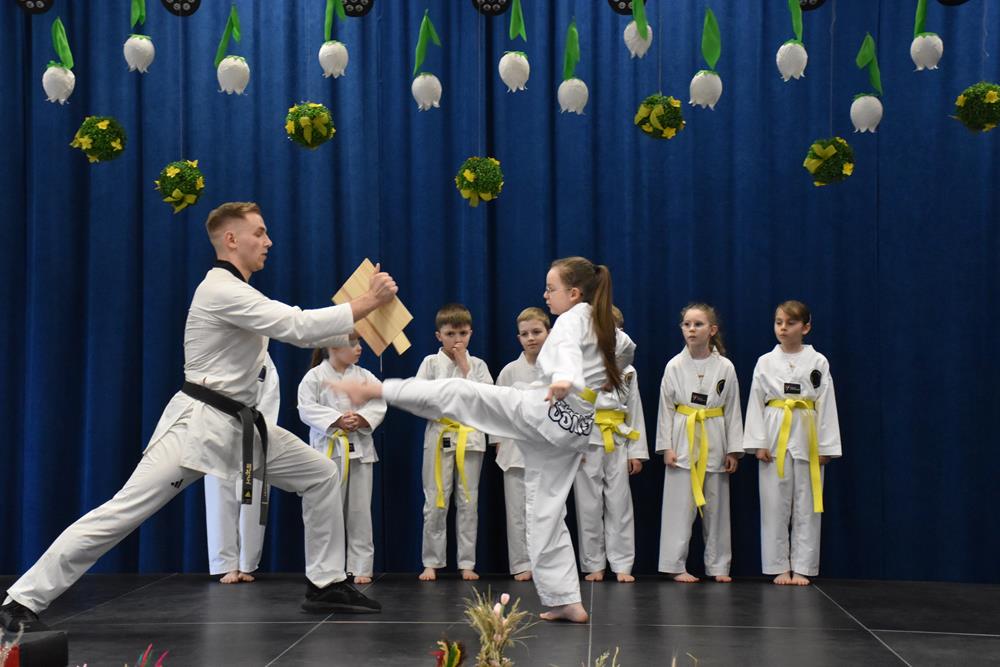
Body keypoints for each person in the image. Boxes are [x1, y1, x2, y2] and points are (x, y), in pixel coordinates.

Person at [1, 202, 397, 633]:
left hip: (242, 426)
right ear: (231, 239)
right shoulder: (220, 290)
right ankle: (21, 600)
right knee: (123, 511)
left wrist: (371, 313)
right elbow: (297, 327)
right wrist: (368, 300)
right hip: (198, 424)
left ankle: (325, 583)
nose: (269, 242)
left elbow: (301, 330)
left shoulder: (241, 293)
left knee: (320, 474)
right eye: (259, 233)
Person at [332, 257, 634, 624]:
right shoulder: (605, 325)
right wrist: (599, 382)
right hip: (575, 429)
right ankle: (566, 599)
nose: (545, 295)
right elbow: (624, 351)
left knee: (461, 393)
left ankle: (379, 390)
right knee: (545, 511)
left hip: (546, 411)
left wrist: (565, 379)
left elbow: (569, 354)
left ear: (573, 293)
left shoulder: (572, 319)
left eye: (551, 289)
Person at [744, 300, 842, 586]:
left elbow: (826, 403)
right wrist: (758, 442)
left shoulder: (818, 361)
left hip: (807, 430)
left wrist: (825, 447)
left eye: (790, 323)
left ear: (806, 327)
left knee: (808, 504)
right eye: (778, 322)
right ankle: (777, 566)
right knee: (774, 504)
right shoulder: (765, 361)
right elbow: (755, 401)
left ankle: (803, 566)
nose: (783, 328)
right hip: (775, 431)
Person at [656, 303, 743, 583]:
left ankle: (719, 566)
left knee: (717, 508)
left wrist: (734, 450)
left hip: (715, 436)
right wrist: (666, 447)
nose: (691, 329)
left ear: (712, 330)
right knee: (679, 506)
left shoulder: (725, 367)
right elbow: (666, 409)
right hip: (682, 437)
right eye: (687, 324)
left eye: (698, 324)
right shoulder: (674, 365)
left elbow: (732, 409)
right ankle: (674, 564)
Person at [413, 304, 493, 582]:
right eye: (450, 334)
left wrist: (465, 368)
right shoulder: (430, 364)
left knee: (468, 501)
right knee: (435, 500)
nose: (457, 339)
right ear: (439, 336)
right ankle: (431, 562)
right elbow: (418, 399)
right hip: (439, 435)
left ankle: (467, 562)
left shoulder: (478, 365)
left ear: (471, 333)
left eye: (462, 333)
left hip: (470, 437)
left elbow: (488, 400)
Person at [298, 336, 387, 584]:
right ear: (334, 347)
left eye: (360, 342)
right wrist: (336, 420)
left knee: (360, 512)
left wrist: (361, 418)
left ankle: (361, 566)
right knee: (326, 513)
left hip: (360, 451)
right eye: (353, 344)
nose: (360, 348)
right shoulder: (314, 377)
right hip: (328, 452)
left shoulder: (365, 376)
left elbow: (379, 401)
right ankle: (328, 569)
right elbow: (306, 408)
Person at [573, 306, 648, 583]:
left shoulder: (628, 370)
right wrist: (574, 444)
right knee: (588, 504)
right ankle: (594, 563)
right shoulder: (582, 367)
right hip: (587, 439)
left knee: (620, 503)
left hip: (618, 439)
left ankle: (622, 563)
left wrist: (636, 452)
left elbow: (634, 410)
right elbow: (574, 406)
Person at [203, 351, 279, 584]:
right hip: (219, 434)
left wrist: (258, 427)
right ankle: (226, 564)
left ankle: (247, 563)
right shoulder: (216, 351)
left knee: (252, 502)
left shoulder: (264, 358)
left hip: (253, 434)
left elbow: (270, 395)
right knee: (219, 501)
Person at [492, 306, 551, 582]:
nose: (531, 338)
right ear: (518, 338)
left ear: (548, 333)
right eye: (525, 334)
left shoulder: (558, 370)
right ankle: (520, 563)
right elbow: (496, 411)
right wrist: (498, 442)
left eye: (536, 332)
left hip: (548, 449)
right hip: (515, 448)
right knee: (516, 511)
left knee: (547, 512)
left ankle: (545, 563)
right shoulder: (510, 372)